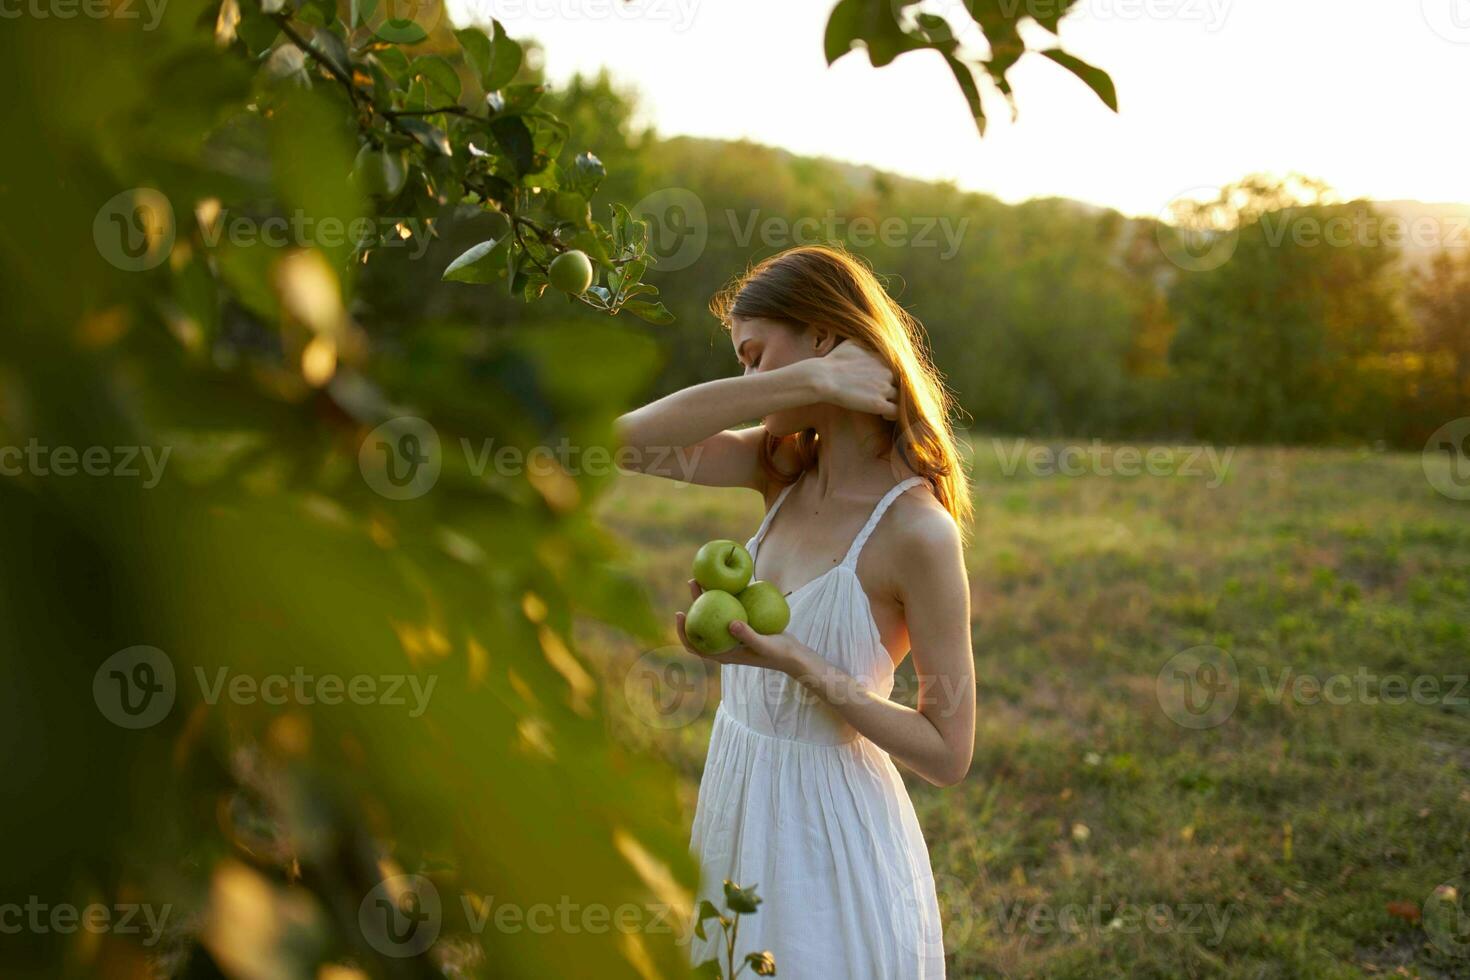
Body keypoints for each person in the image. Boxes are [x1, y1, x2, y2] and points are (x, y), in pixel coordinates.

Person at [616, 244, 976, 978]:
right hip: (739, 796)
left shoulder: (917, 532)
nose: (749, 378)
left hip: (829, 833)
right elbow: (619, 444)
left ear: (824, 331)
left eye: (756, 356)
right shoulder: (778, 469)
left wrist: (796, 663)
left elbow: (948, 751)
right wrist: (807, 379)